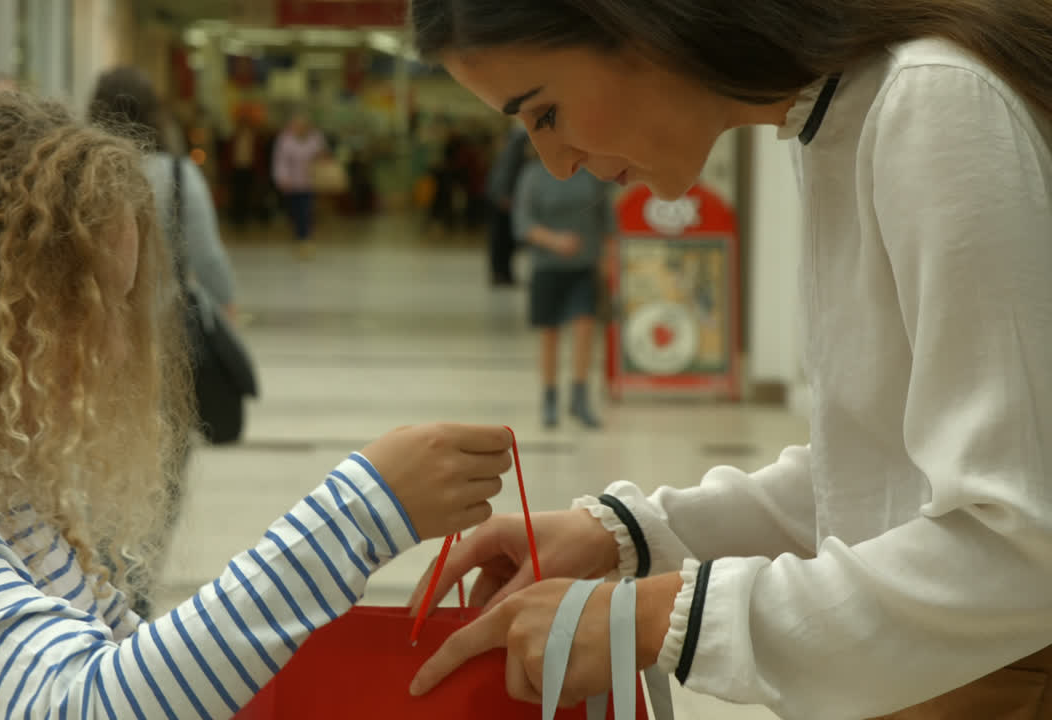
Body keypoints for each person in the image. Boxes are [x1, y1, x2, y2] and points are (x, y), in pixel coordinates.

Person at [0, 85, 515, 719]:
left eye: (124, 305)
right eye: (85, 305)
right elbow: (86, 702)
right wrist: (356, 515)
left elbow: (133, 665)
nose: (117, 349)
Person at [402, 1, 1052, 719]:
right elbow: (880, 475)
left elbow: (1020, 546)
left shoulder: (932, 105)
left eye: (545, 113)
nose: (555, 166)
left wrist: (652, 618)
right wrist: (627, 535)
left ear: (639, 27)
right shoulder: (840, 121)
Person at [88, 66, 238, 319]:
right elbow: (207, 256)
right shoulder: (179, 175)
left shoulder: (83, 174)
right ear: (154, 112)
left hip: (94, 324)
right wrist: (227, 302)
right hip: (163, 323)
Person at [513, 159, 617, 429]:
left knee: (585, 327)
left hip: (584, 267)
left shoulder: (593, 174)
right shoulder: (533, 176)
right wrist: (555, 241)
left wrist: (608, 260)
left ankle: (580, 396)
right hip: (546, 267)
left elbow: (608, 220)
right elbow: (523, 222)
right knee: (550, 333)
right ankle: (549, 397)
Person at [272, 112, 327, 258]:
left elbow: (322, 155)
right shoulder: (285, 140)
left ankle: (305, 239)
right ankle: (299, 237)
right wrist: (282, 178)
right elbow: (280, 160)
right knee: (295, 212)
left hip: (310, 181)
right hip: (291, 182)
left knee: (306, 210)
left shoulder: (315, 139)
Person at [484, 124, 529, 287]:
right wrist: (505, 195)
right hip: (502, 197)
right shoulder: (517, 144)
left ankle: (504, 273)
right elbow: (508, 169)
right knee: (501, 238)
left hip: (503, 195)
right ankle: (500, 273)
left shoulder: (515, 142)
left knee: (505, 238)